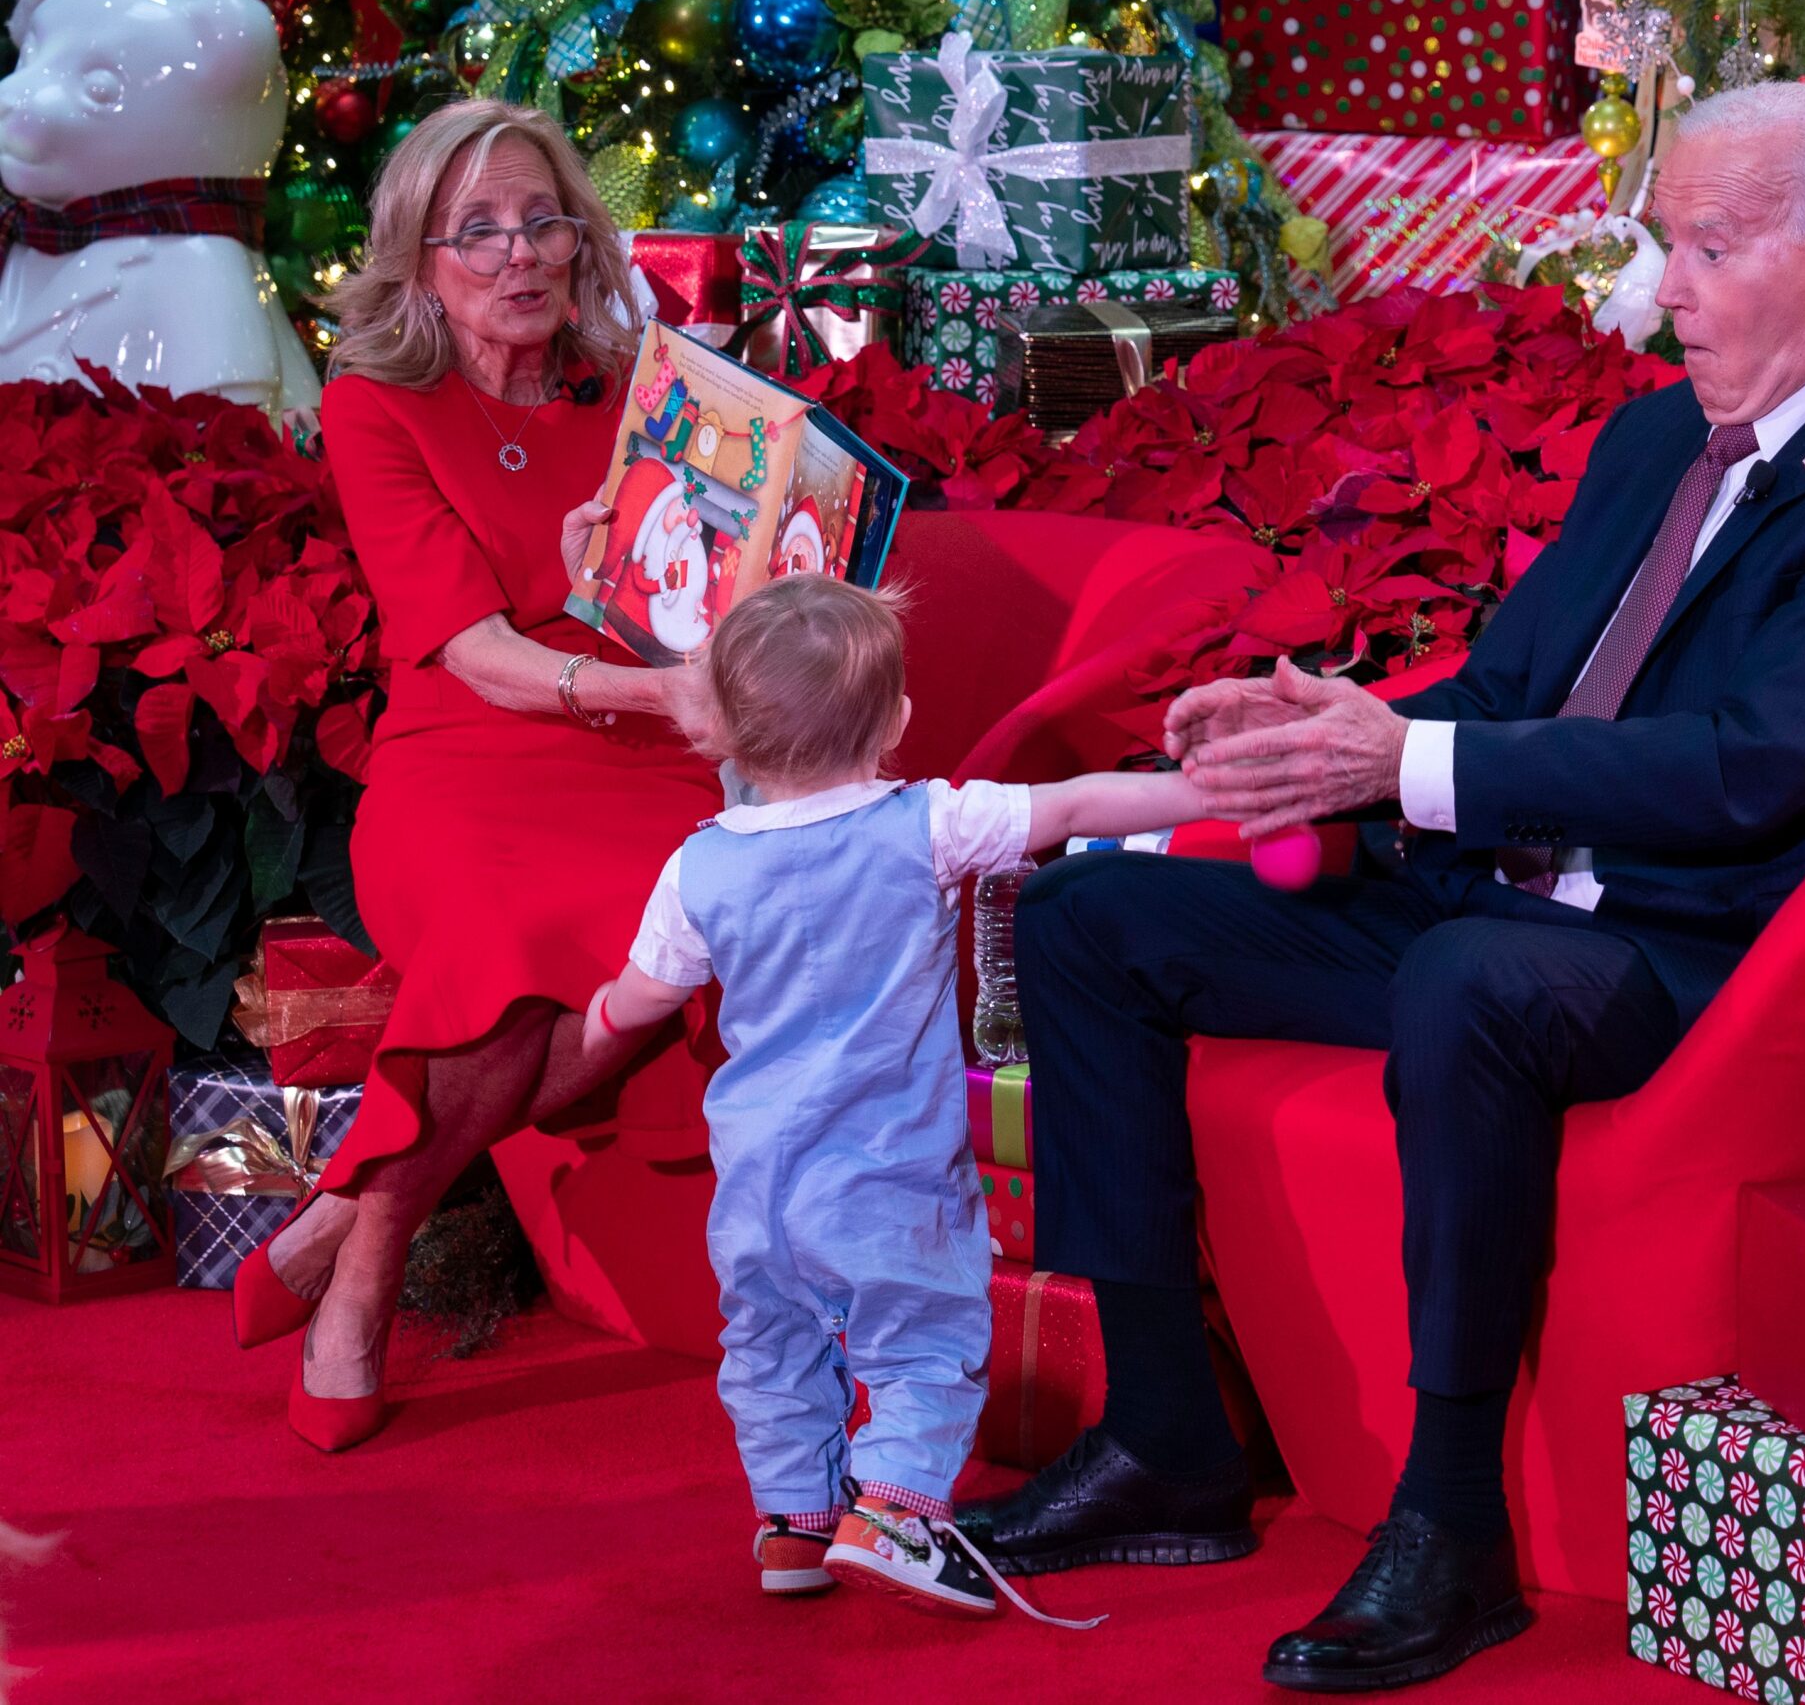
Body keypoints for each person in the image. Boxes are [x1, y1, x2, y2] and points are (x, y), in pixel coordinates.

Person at [956, 80, 1805, 1690]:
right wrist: (1328, 735)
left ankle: (1450, 1525)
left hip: (1678, 947)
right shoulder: (1661, 434)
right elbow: (1516, 689)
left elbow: (1744, 769)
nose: (1666, 291)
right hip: (1498, 891)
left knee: (1474, 982)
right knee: (1090, 917)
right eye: (1668, 244)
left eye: (1708, 249)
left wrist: (1401, 770)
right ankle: (1167, 1431)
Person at [228, 100, 720, 1452]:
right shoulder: (373, 402)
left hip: (645, 751)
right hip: (464, 751)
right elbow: (472, 646)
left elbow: (691, 593)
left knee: (708, 906)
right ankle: (371, 1269)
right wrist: (651, 689)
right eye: (480, 230)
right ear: (420, 260)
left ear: (581, 235)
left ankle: (352, 1213)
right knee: (507, 942)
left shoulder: (644, 389)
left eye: (544, 218)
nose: (522, 254)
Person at [582, 576, 1206, 1617]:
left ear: (721, 730)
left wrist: (597, 1021)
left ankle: (793, 1529)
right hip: (889, 1176)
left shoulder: (698, 866)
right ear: (899, 720)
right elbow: (1078, 807)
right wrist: (1212, 792)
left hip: (757, 1191)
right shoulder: (926, 824)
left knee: (772, 1347)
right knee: (920, 1342)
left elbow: (643, 994)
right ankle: (898, 1511)